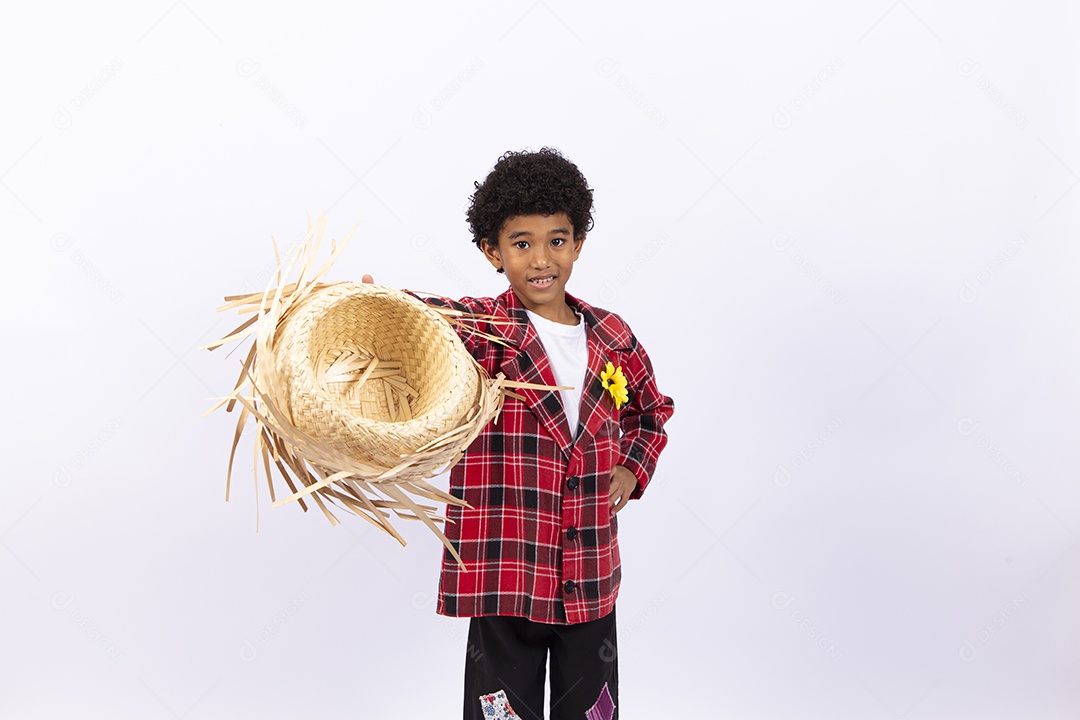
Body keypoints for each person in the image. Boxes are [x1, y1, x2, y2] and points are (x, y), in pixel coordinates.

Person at [371, 148, 673, 720]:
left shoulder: (612, 334)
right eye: (521, 243)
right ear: (493, 251)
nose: (541, 259)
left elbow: (651, 411)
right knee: (499, 709)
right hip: (506, 560)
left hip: (587, 568)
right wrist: (378, 303)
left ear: (578, 244)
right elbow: (424, 317)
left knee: (591, 709)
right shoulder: (488, 330)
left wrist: (632, 468)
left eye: (557, 241)